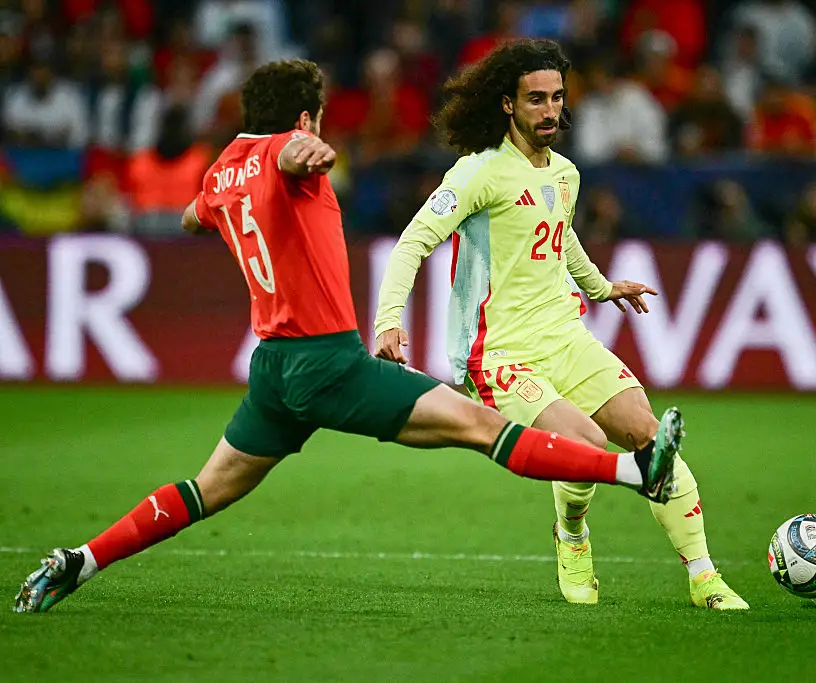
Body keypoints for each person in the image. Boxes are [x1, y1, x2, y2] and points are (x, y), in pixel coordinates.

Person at [14, 58, 683, 614]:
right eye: (319, 121)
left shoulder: (223, 169)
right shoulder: (294, 151)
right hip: (328, 360)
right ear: (306, 117)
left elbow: (193, 216)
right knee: (485, 425)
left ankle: (82, 558)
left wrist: (227, 203)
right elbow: (303, 156)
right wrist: (310, 154)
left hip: (273, 371)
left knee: (204, 490)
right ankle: (635, 468)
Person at [374, 40, 747, 610]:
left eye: (556, 98)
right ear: (507, 104)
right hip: (498, 355)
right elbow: (412, 242)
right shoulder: (480, 172)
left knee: (650, 437)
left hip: (566, 338)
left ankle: (704, 578)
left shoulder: (566, 174)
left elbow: (561, 233)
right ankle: (572, 535)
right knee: (584, 442)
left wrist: (599, 287)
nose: (550, 111)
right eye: (536, 100)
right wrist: (388, 319)